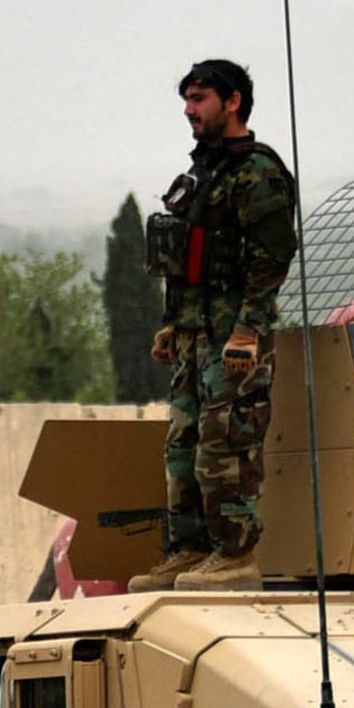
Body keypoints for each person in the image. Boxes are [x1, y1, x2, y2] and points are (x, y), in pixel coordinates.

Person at [137, 58, 299, 589]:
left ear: (232, 102)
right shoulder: (203, 173)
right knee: (181, 448)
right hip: (193, 335)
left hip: (233, 337)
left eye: (200, 99)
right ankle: (188, 550)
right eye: (186, 99)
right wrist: (171, 325)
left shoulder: (259, 173)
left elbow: (271, 258)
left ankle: (234, 554)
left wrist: (249, 330)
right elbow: (182, 256)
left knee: (224, 445)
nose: (189, 110)